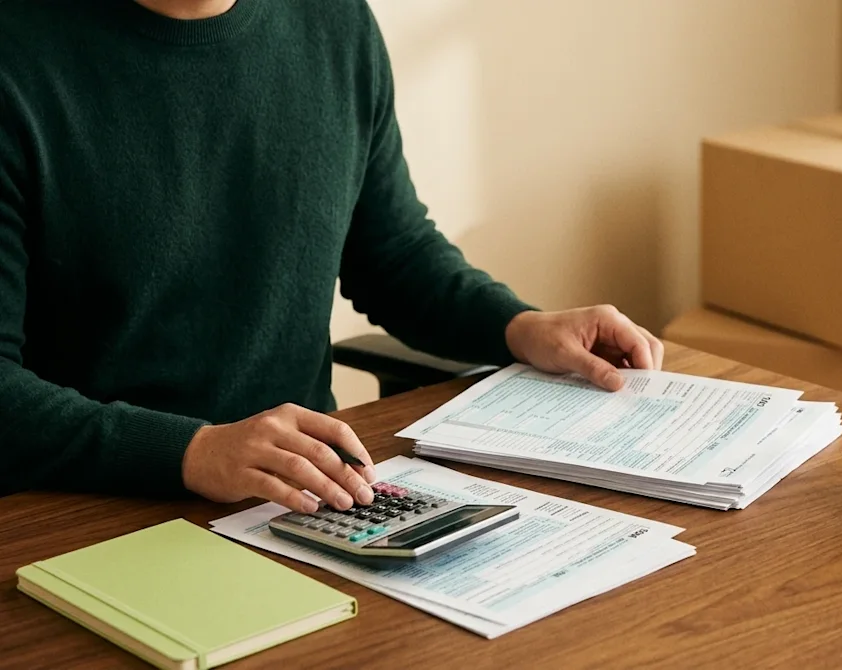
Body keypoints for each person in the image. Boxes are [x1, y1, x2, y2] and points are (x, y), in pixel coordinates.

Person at [0, 0, 664, 512]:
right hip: (81, 507)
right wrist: (195, 452)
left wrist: (519, 327)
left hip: (304, 498)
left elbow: (395, 256)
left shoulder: (333, 21)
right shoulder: (19, 56)